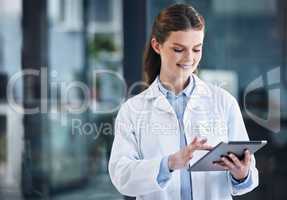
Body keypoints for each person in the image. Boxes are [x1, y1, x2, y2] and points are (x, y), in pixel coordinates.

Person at [108, 3, 258, 200]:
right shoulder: (133, 110)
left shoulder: (223, 102)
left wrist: (241, 174)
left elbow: (249, 174)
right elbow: (121, 175)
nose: (189, 58)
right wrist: (169, 163)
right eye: (179, 49)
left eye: (197, 49)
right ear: (157, 45)